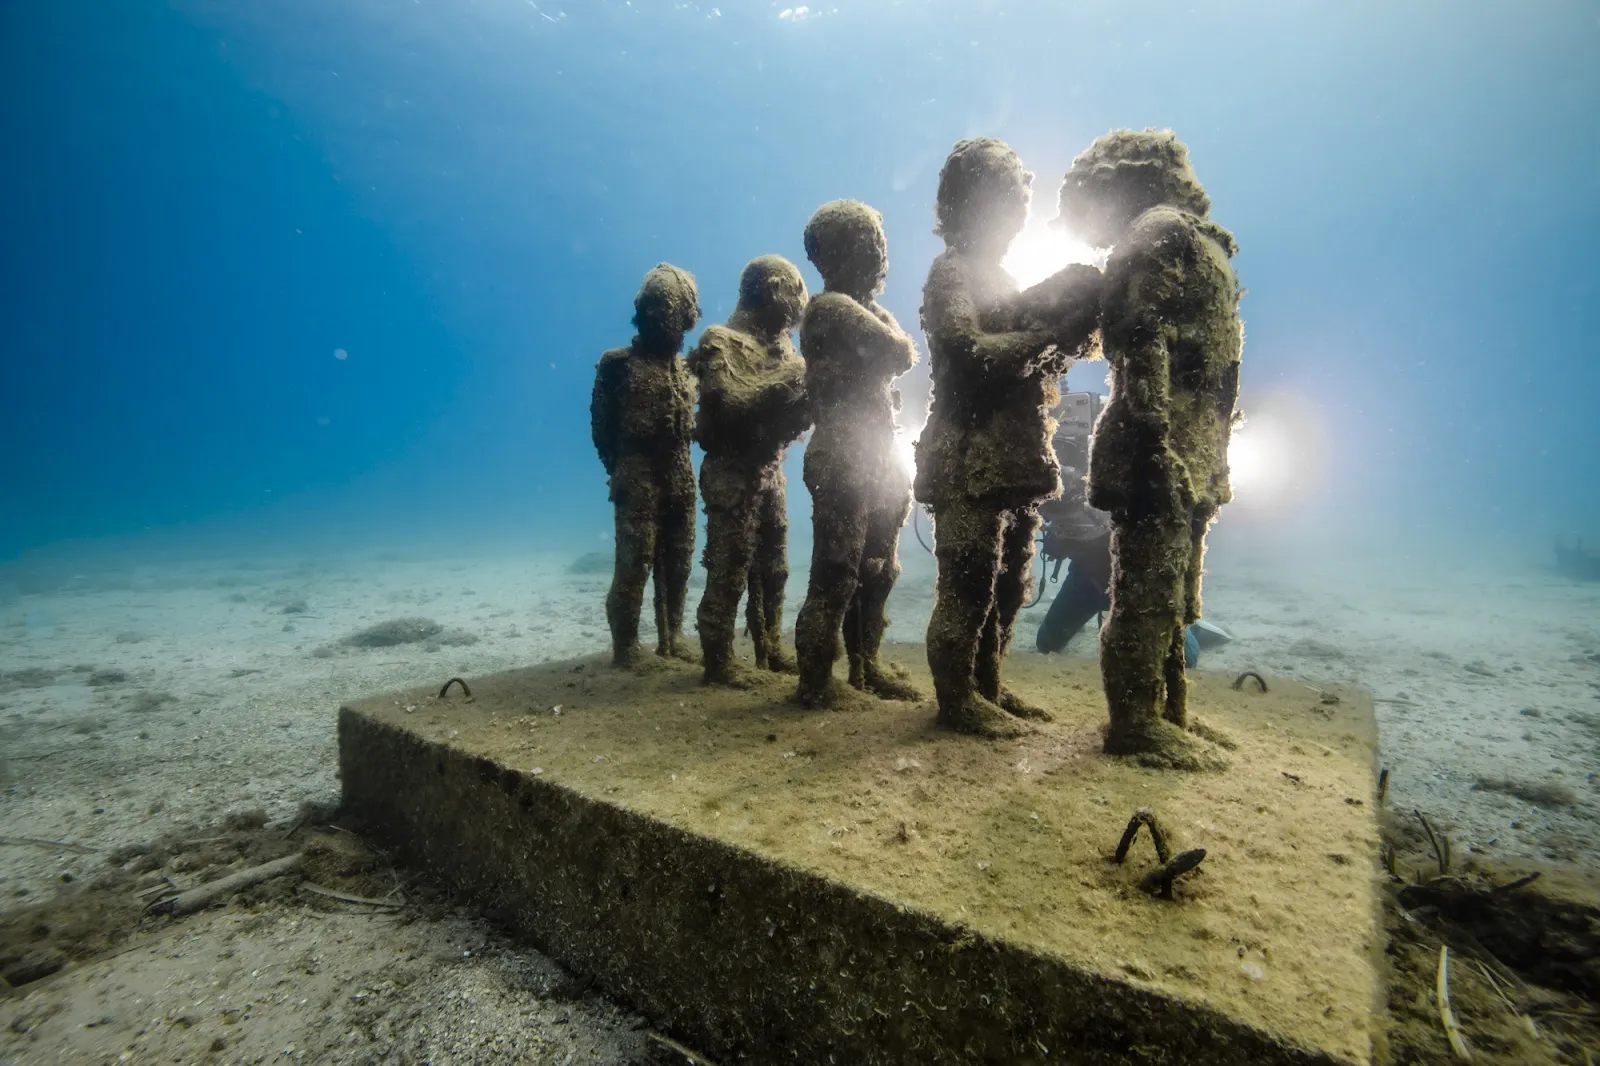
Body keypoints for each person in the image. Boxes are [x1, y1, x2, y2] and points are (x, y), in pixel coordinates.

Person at [1054, 128, 1243, 767]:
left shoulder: (1182, 239)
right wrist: (1156, 440)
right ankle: (1136, 724)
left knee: (1177, 594)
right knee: (1144, 594)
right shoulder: (1160, 236)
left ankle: (1170, 711)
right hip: (1158, 449)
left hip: (1186, 447)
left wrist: (1199, 444)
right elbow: (1141, 344)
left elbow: (1199, 358)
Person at [914, 137, 1103, 738]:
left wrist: (1053, 331)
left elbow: (1018, 353)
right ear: (964, 204)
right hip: (966, 451)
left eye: (1019, 201)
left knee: (1009, 583)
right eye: (1003, 200)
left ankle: (987, 685)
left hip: (1015, 452)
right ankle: (955, 701)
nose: (1016, 214)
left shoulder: (1000, 276)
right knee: (966, 583)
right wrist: (1044, 336)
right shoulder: (951, 272)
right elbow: (965, 351)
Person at [792, 200, 922, 707]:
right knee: (836, 571)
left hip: (878, 459)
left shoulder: (864, 311)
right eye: (868, 245)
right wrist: (890, 334)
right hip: (842, 456)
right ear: (836, 255)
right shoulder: (828, 308)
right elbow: (898, 352)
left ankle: (865, 667)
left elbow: (892, 351)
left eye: (879, 244)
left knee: (879, 568)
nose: (879, 255)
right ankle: (815, 681)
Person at [687, 256, 811, 686]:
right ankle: (718, 661)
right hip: (731, 471)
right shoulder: (719, 341)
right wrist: (791, 378)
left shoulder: (785, 349)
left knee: (773, 566)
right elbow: (728, 401)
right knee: (729, 565)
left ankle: (770, 649)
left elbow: (790, 417)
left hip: (768, 469)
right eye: (796, 291)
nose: (801, 304)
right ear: (774, 289)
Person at [590, 264, 700, 666]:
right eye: (655, 308)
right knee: (634, 563)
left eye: (670, 309)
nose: (662, 318)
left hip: (680, 473)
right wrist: (620, 470)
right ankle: (627, 646)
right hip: (637, 474)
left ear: (687, 314)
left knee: (679, 562)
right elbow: (601, 428)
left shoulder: (690, 370)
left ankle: (673, 637)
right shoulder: (617, 364)